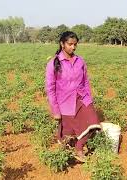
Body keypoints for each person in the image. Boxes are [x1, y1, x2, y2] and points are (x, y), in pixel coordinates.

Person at [45, 31, 101, 162]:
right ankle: (64, 157)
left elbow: (85, 81)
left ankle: (79, 148)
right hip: (64, 102)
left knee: (94, 122)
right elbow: (50, 89)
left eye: (75, 44)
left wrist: (89, 98)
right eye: (70, 44)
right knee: (67, 134)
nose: (73, 47)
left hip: (82, 98)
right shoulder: (53, 63)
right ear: (62, 44)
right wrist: (55, 110)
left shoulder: (80, 61)